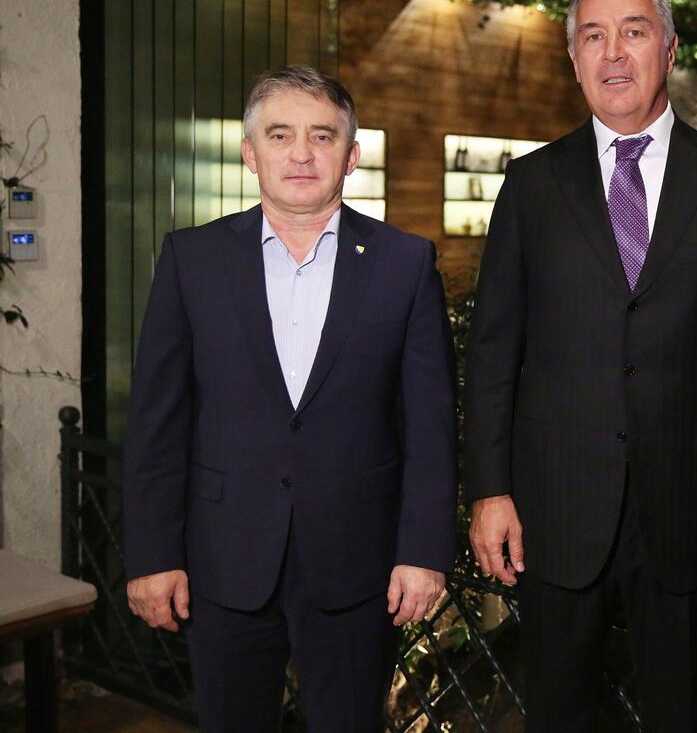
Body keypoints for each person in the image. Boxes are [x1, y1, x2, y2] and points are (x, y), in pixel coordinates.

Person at [464, 0, 697, 732]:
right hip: (555, 511)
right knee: (557, 713)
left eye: (633, 32)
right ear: (574, 59)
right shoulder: (530, 185)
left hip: (690, 509)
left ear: (668, 49)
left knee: (684, 713)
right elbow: (493, 352)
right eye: (593, 36)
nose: (613, 52)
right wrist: (490, 490)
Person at [122, 65, 457, 732]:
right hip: (222, 560)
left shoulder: (404, 264)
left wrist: (424, 552)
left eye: (322, 136)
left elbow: (430, 427)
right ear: (251, 153)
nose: (301, 153)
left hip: (357, 564)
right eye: (280, 135)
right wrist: (154, 556)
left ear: (350, 155)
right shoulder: (192, 260)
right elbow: (157, 424)